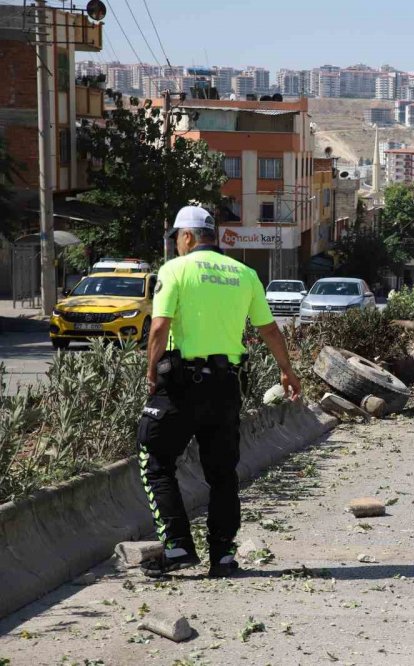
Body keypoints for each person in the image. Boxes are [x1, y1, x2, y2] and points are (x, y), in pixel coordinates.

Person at [138, 206, 302, 578]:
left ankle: (177, 545)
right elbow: (270, 330)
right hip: (226, 388)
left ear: (187, 237)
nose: (175, 246)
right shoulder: (245, 274)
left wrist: (151, 372)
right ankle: (223, 557)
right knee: (222, 473)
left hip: (181, 386)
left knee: (154, 457)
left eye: (176, 239)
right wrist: (287, 371)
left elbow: (160, 327)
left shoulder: (174, 270)